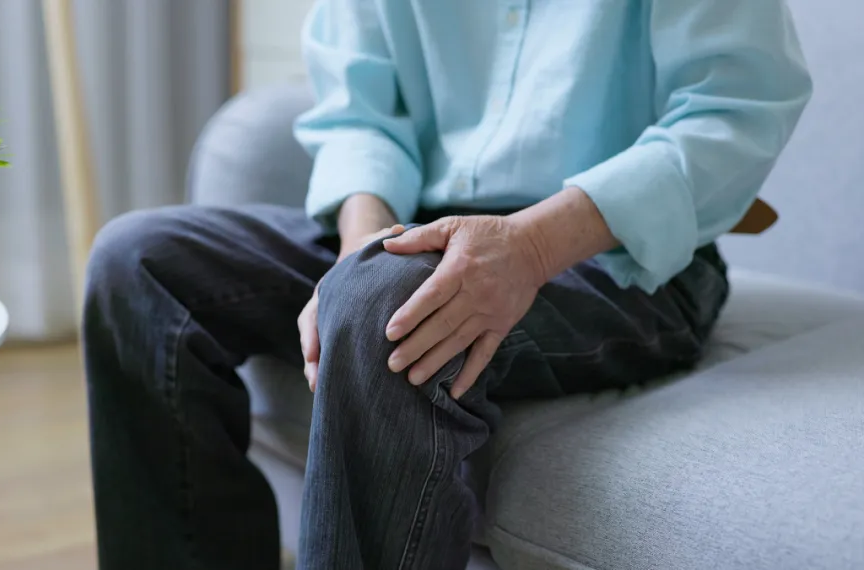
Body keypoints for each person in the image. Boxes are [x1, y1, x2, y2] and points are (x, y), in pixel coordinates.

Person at [82, 1, 812, 568]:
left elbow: (734, 113)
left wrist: (529, 246)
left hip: (615, 254)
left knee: (389, 306)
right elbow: (361, 111)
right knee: (138, 263)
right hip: (413, 227)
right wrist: (361, 250)